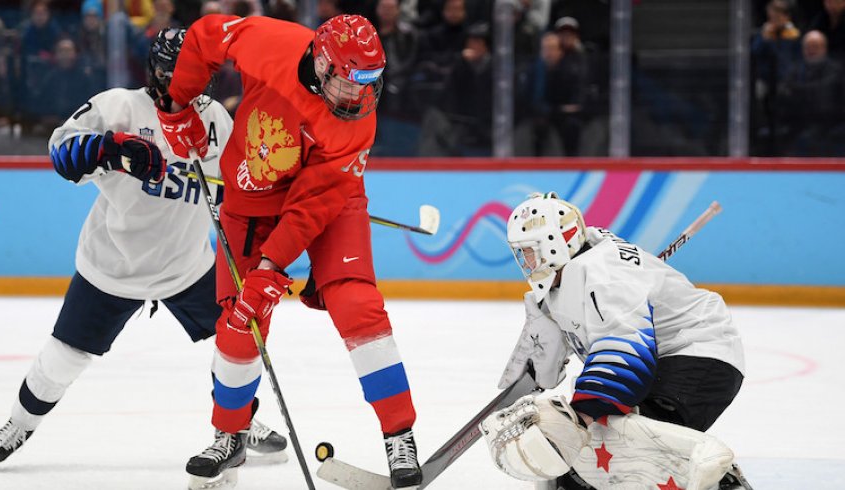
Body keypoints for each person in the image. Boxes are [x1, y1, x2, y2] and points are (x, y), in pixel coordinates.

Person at [0, 27, 287, 473]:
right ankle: (19, 422)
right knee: (63, 357)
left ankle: (237, 422)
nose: (196, 85)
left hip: (188, 266)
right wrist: (110, 149)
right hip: (113, 267)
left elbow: (240, 188)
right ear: (161, 73)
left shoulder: (217, 119)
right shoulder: (119, 107)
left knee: (236, 344)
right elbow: (61, 153)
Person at [153, 13, 422, 489]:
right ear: (321, 63)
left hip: (327, 205)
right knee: (239, 323)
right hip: (250, 201)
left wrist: (270, 267)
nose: (360, 97)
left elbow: (310, 208)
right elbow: (202, 38)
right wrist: (176, 107)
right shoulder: (270, 42)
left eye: (369, 85)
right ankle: (229, 433)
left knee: (356, 305)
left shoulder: (356, 123)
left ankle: (399, 432)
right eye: (348, 83)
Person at [480, 192, 749, 489]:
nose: (525, 261)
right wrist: (529, 381)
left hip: (699, 354)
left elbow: (625, 353)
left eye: (530, 250)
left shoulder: (606, 274)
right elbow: (558, 344)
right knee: (581, 461)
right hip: (668, 359)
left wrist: (578, 417)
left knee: (618, 443)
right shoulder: (572, 272)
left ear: (555, 244)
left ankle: (721, 482)